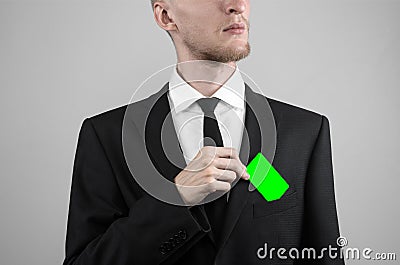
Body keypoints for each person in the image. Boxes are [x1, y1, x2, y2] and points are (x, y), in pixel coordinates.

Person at [63, 0, 344, 264]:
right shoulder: (106, 136)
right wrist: (176, 198)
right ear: (166, 16)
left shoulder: (305, 131)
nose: (238, 5)